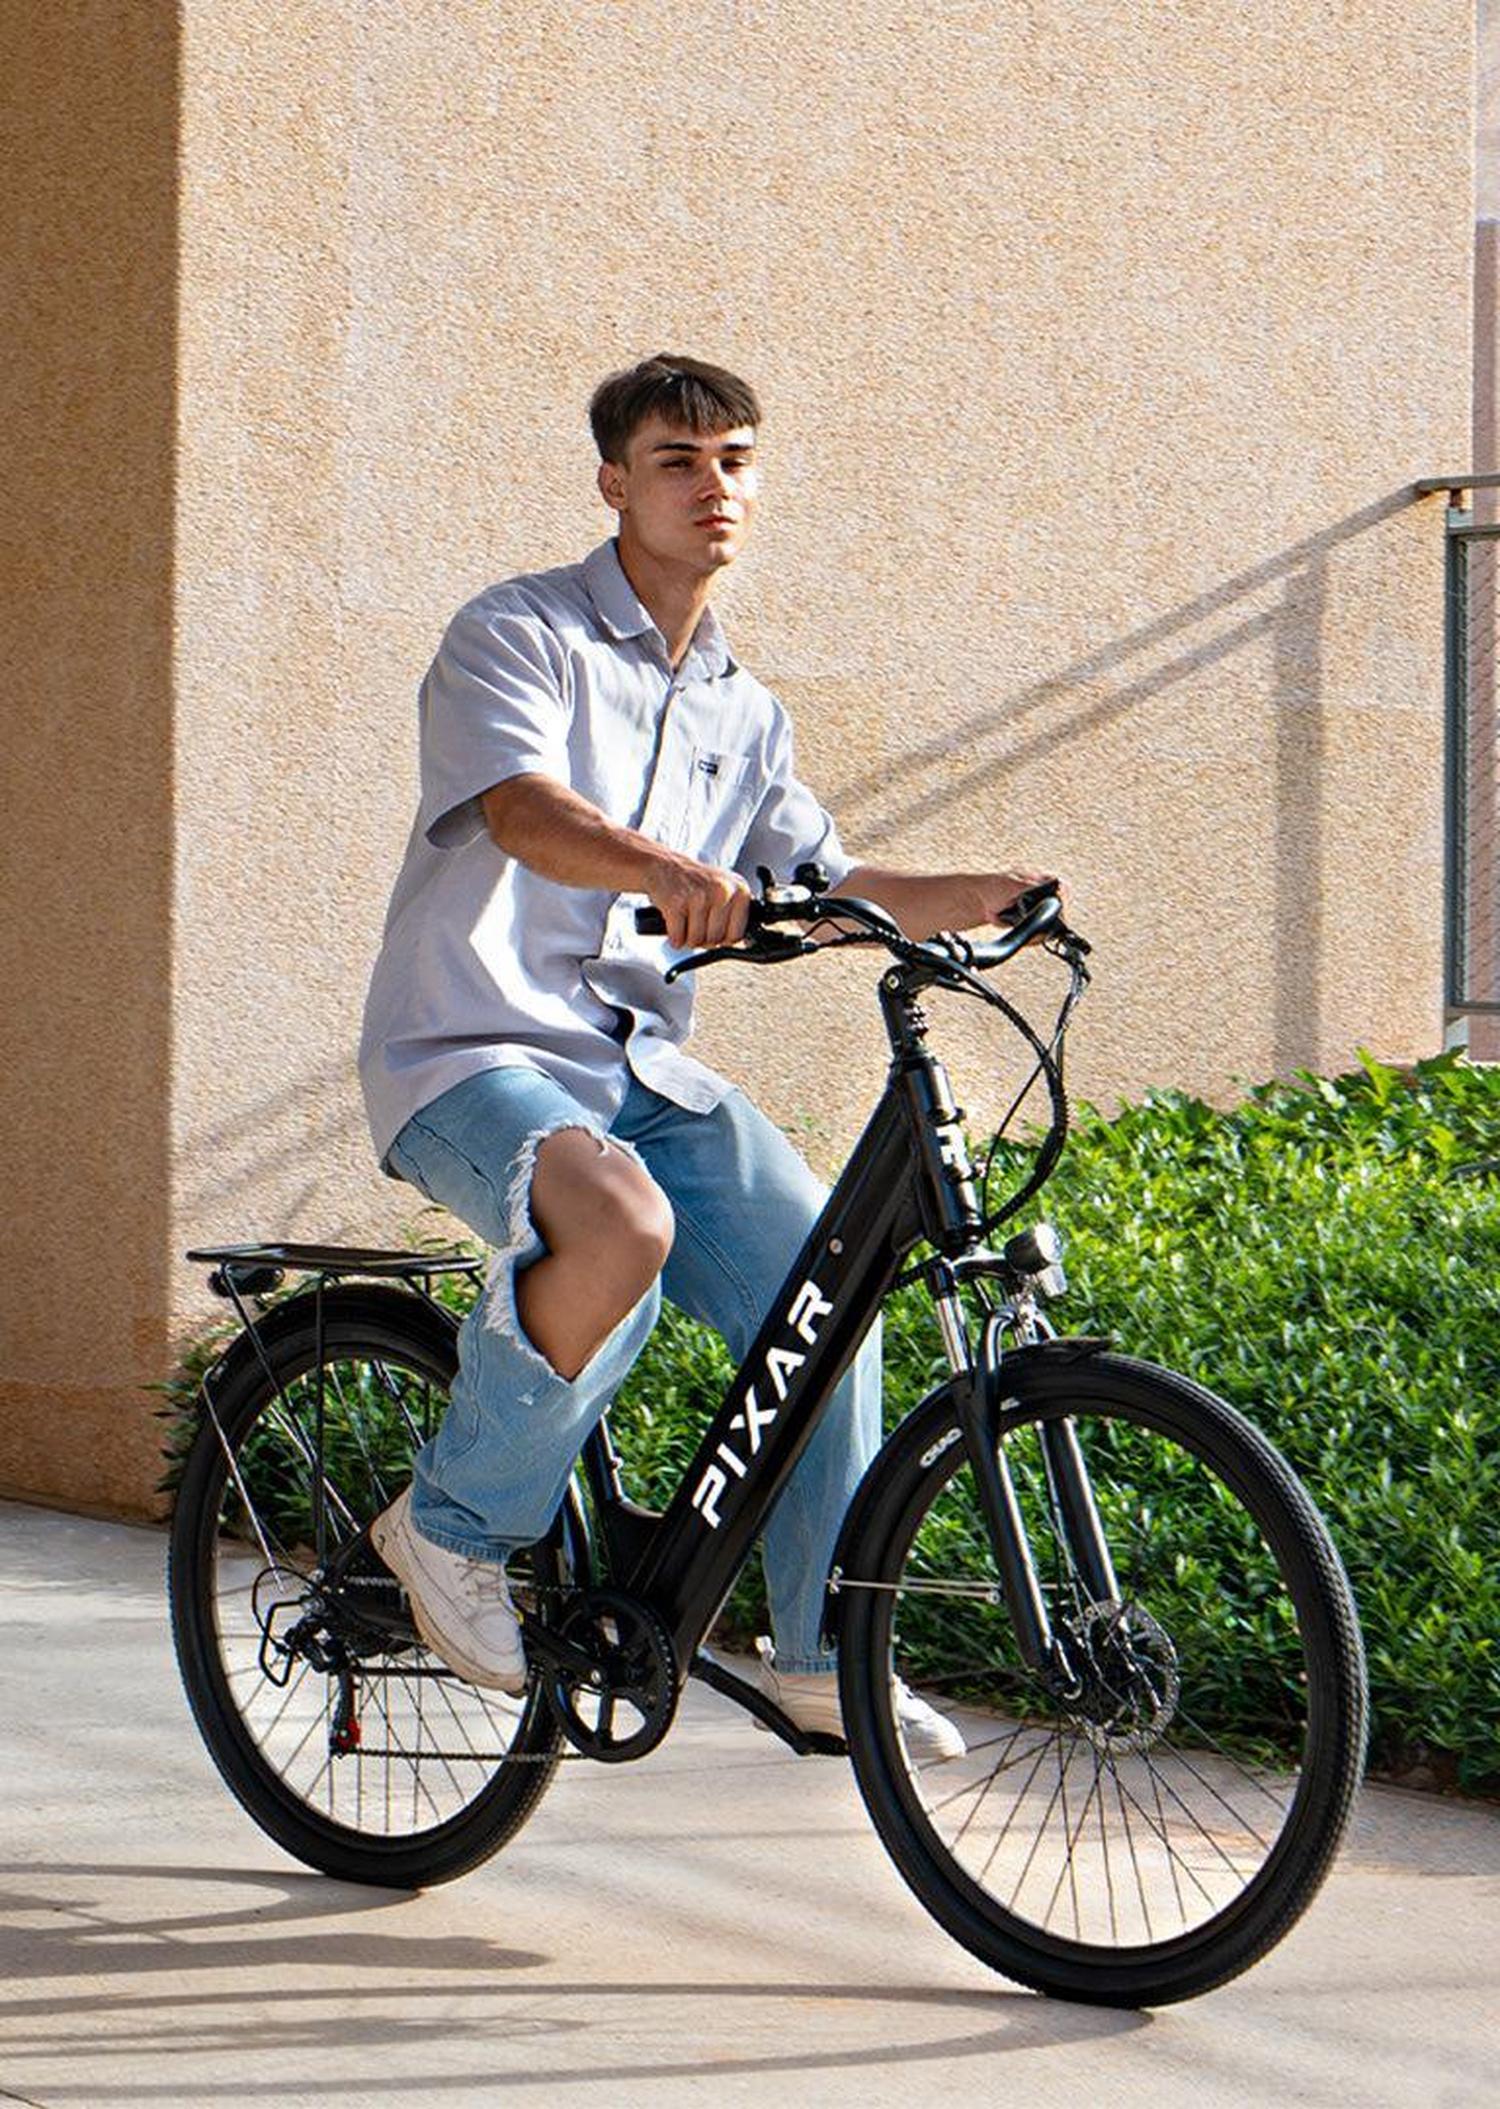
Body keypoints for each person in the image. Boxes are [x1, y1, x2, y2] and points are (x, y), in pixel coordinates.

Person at [360, 353, 1054, 1759]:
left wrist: (980, 891)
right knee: (617, 1223)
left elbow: (830, 877)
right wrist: (670, 871)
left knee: (826, 1285)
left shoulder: (742, 705)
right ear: (615, 483)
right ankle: (446, 1528)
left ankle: (817, 1653)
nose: (711, 485)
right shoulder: (520, 634)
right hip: (471, 1050)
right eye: (678, 460)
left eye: (734, 458)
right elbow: (524, 811)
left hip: (637, 1075)